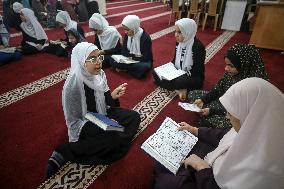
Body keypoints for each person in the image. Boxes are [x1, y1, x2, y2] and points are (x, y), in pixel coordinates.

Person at [153, 77, 284, 189]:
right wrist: (195, 130)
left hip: (211, 179)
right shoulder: (261, 123)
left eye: (232, 113)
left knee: (165, 182)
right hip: (216, 161)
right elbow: (226, 135)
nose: (227, 117)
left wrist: (201, 167)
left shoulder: (263, 169)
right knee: (171, 155)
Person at [46, 42, 141, 177]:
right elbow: (74, 120)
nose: (98, 62)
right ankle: (64, 151)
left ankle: (114, 140)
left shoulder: (100, 74)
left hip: (103, 111)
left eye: (99, 57)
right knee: (113, 136)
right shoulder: (72, 86)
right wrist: (105, 123)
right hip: (85, 121)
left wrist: (113, 95)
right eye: (92, 59)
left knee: (134, 117)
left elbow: (108, 102)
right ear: (81, 61)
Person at [188, 43, 268, 129]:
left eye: (231, 66)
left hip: (235, 113)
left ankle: (207, 118)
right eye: (226, 64)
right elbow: (218, 89)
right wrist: (203, 100)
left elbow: (240, 112)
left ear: (244, 65)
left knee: (233, 125)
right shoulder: (231, 72)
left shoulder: (253, 85)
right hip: (224, 101)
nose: (226, 68)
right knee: (193, 94)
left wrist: (212, 111)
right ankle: (205, 116)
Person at [153, 18, 205, 101]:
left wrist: (178, 74)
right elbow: (175, 61)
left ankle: (175, 86)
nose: (175, 35)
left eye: (179, 32)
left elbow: (197, 71)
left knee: (179, 81)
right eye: (175, 31)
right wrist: (168, 69)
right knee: (156, 72)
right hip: (178, 71)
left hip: (192, 76)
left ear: (188, 32)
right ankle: (179, 90)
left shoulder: (197, 47)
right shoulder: (179, 42)